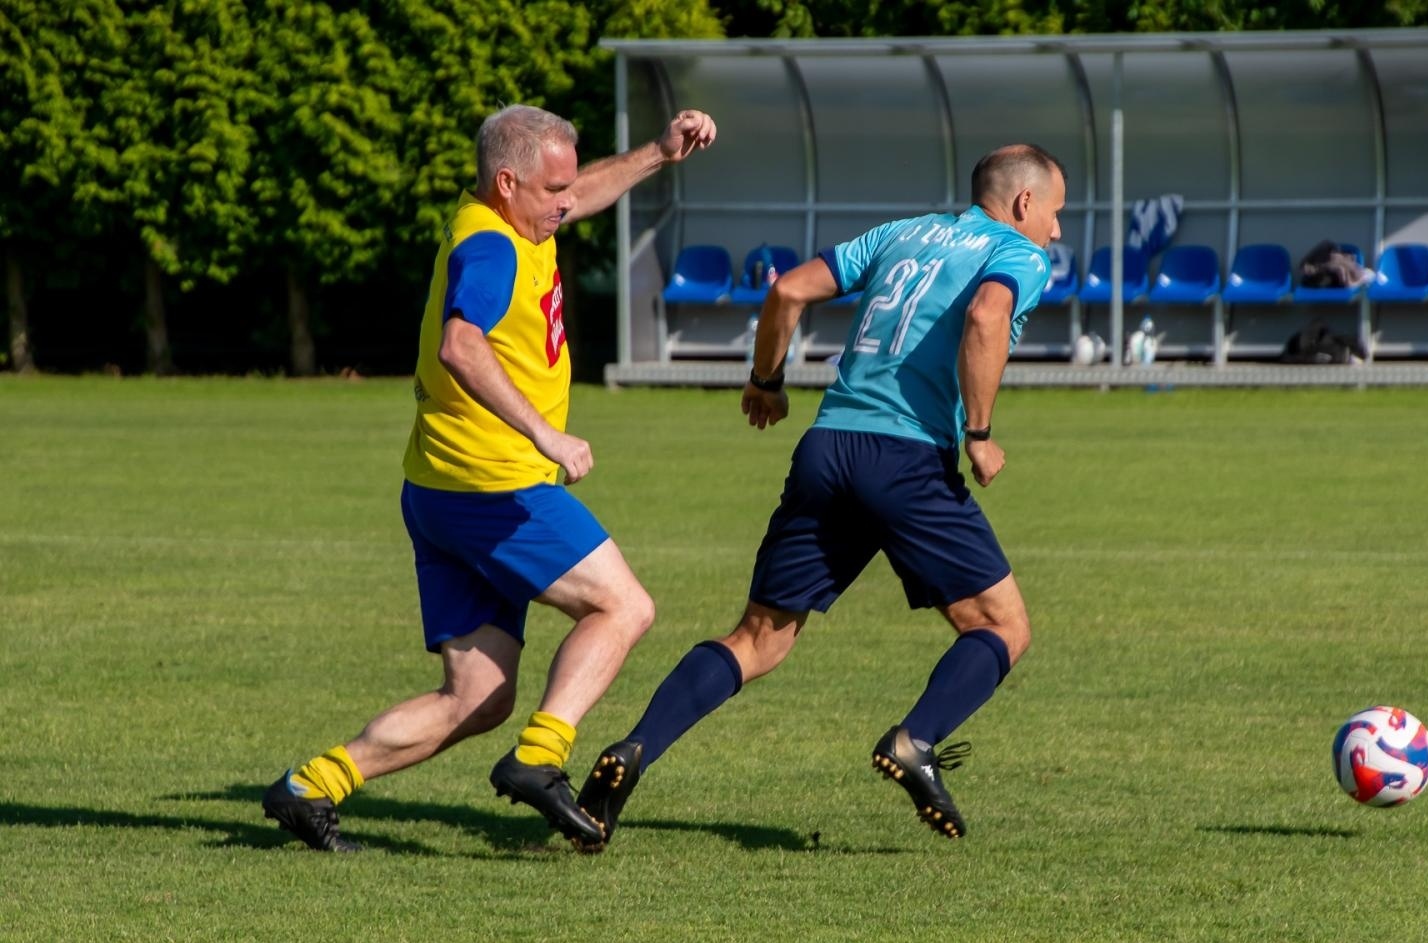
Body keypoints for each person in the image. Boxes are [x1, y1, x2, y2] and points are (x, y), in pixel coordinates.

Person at [575, 144, 1066, 848]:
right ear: (1024, 204)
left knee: (758, 638)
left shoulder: (900, 234)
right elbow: (988, 318)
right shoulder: (1018, 255)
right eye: (1054, 213)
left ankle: (635, 748)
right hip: (906, 456)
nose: (1054, 230)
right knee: (1003, 627)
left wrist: (766, 381)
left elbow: (787, 291)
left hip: (829, 444)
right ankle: (916, 741)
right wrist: (980, 433)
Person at [262, 104, 718, 852]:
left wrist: (659, 155)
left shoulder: (511, 215)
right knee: (623, 606)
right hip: (493, 486)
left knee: (478, 695)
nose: (565, 202)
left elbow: (583, 191)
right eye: (552, 190)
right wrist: (546, 433)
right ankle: (541, 759)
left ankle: (312, 784)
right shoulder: (493, 247)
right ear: (508, 183)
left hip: (439, 488)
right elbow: (460, 344)